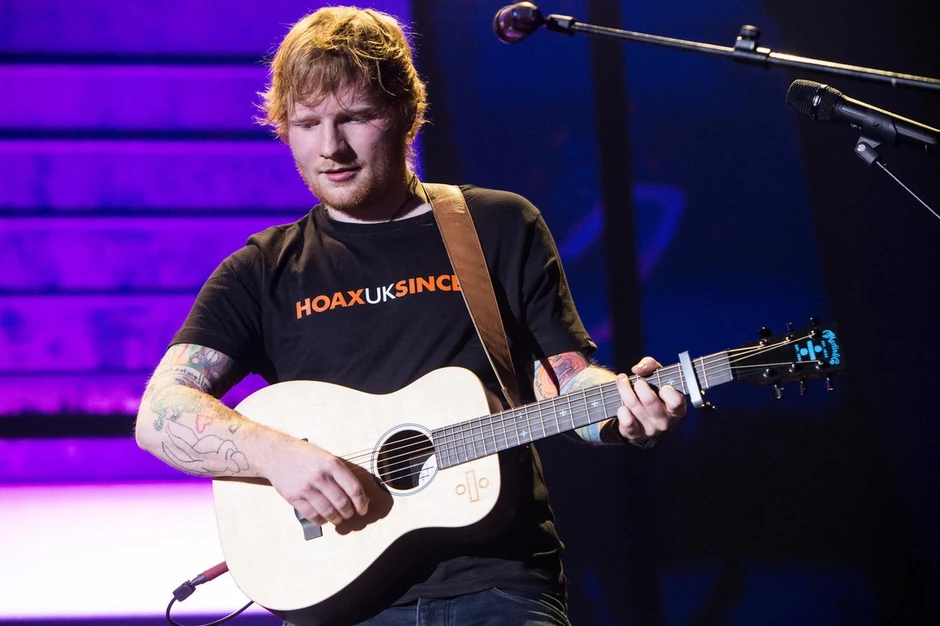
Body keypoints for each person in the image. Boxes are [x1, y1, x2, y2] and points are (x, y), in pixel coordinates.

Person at [134, 6, 686, 626]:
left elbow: (563, 383)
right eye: (307, 123)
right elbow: (159, 414)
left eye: (354, 117)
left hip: (498, 585)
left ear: (406, 111)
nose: (330, 147)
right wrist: (276, 456)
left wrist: (620, 412)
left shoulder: (497, 225)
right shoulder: (263, 269)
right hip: (338, 596)